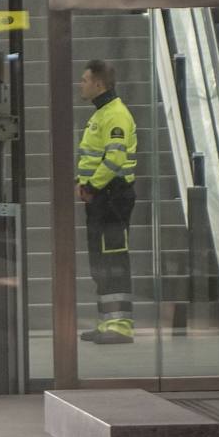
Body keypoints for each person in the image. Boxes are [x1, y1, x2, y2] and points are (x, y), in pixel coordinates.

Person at [76, 59, 137, 345]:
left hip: (111, 196)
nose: (81, 84)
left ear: (99, 84)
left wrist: (91, 185)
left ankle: (121, 325)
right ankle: (108, 321)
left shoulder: (115, 116)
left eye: (85, 79)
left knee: (113, 260)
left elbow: (114, 158)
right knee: (101, 261)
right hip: (103, 197)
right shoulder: (103, 113)